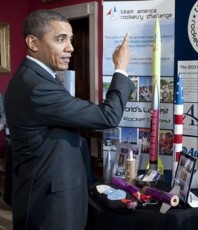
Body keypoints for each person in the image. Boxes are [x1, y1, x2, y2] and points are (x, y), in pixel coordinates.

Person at [4, 10, 134, 230]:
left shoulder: (34, 77)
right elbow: (108, 116)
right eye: (60, 39)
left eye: (70, 39)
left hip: (46, 194)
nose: (70, 48)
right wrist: (120, 69)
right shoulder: (37, 87)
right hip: (50, 206)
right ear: (33, 43)